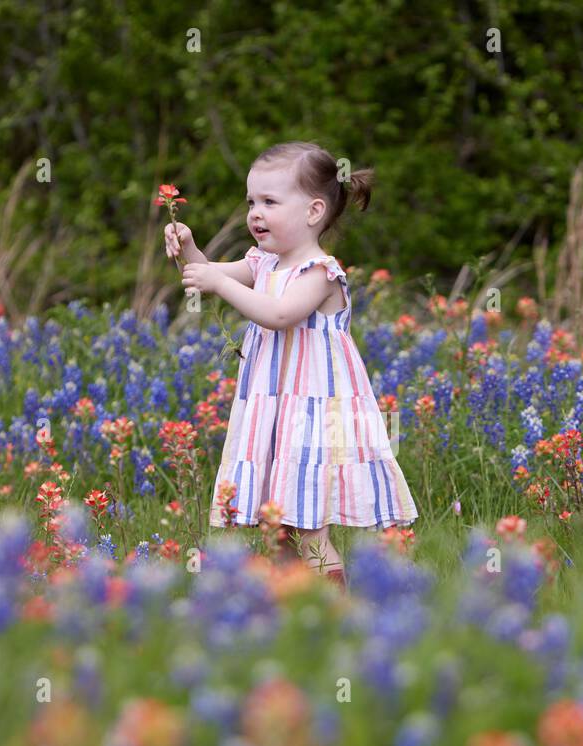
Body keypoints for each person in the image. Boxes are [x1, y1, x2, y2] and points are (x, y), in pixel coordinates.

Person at [164, 141, 418, 588]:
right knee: (276, 525)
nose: (254, 213)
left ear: (313, 211)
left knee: (309, 527)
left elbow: (278, 315)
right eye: (250, 202)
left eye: (269, 202)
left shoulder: (321, 273)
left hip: (314, 416)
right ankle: (292, 610)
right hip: (274, 414)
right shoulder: (262, 261)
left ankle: (334, 611)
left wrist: (217, 284)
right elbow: (206, 270)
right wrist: (188, 247)